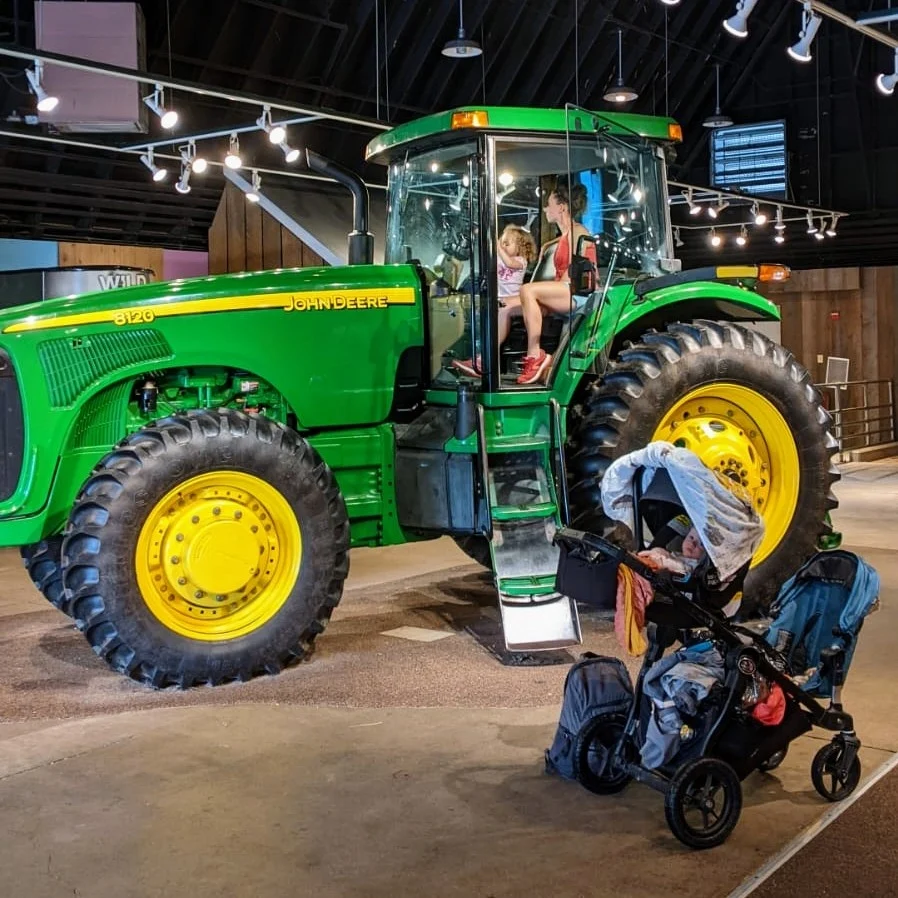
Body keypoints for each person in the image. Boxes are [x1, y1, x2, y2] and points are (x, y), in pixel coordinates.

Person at [516, 179, 595, 385]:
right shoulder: (566, 235)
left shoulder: (579, 233)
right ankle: (485, 361)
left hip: (576, 294)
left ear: (561, 207)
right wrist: (548, 244)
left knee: (528, 290)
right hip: (564, 290)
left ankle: (535, 355)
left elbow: (580, 272)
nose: (544, 209)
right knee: (505, 305)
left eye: (548, 204)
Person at [453, 224, 536, 377]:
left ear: (520, 246)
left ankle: (484, 359)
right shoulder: (501, 258)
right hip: (499, 298)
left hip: (515, 299)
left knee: (499, 310)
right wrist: (481, 234)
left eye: (507, 244)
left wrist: (497, 246)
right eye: (502, 243)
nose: (503, 246)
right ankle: (477, 354)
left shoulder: (521, 261)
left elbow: (509, 263)